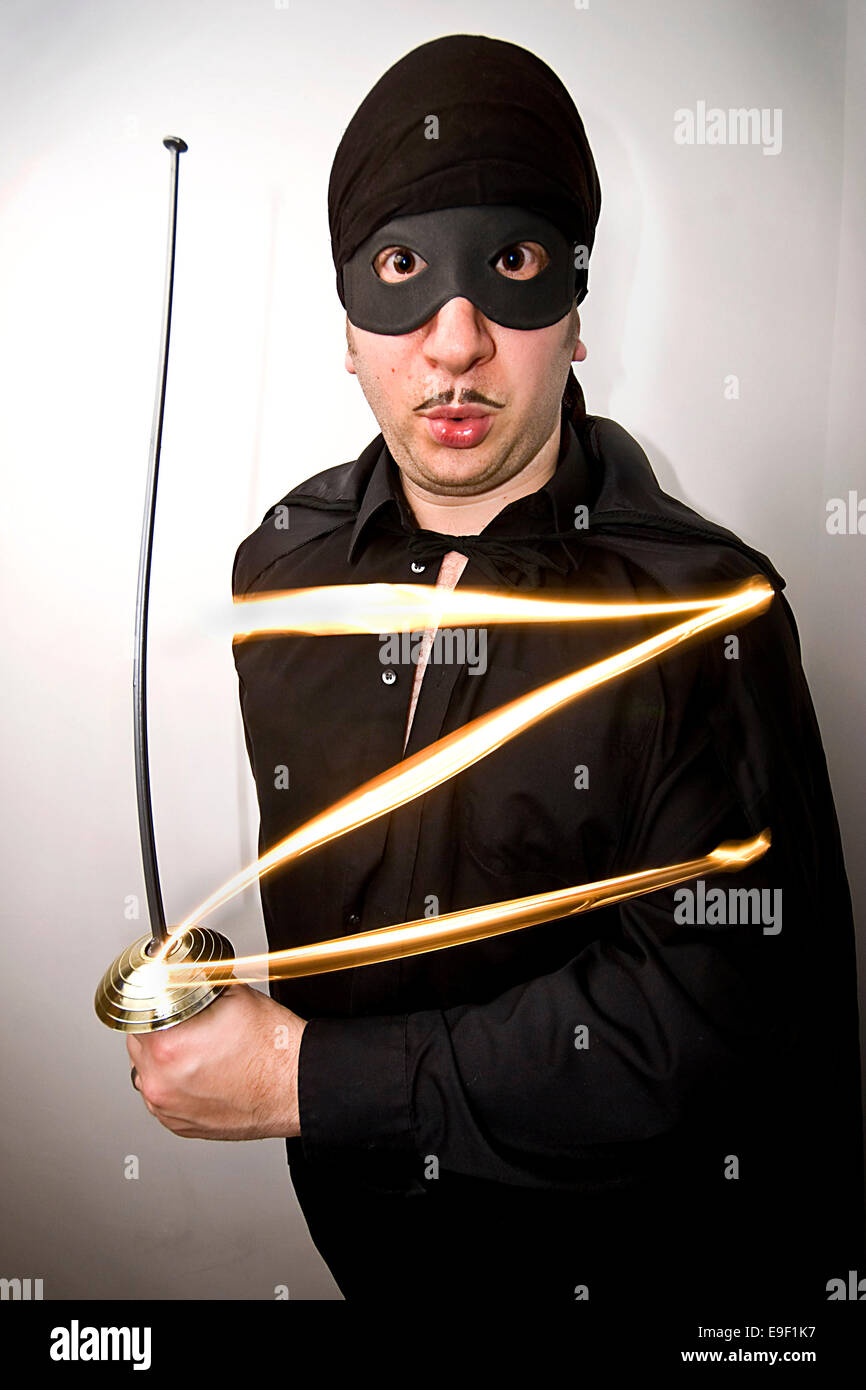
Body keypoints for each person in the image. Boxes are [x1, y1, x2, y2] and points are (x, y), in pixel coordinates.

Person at [128, 34, 864, 1309]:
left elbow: (715, 1028)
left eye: (509, 266)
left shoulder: (707, 614)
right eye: (403, 272)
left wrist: (301, 1081)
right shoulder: (280, 571)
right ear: (348, 323)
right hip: (364, 1255)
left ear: (573, 310)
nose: (455, 341)